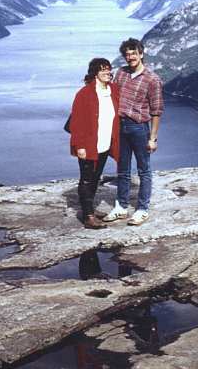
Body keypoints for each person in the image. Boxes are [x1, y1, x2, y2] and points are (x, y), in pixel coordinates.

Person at [104, 38, 164, 226]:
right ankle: (121, 207)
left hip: (139, 128)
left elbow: (156, 111)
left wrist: (153, 138)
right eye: (127, 54)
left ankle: (142, 209)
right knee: (122, 169)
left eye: (133, 53)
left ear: (141, 54)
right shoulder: (120, 74)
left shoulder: (152, 79)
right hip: (120, 126)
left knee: (144, 170)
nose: (130, 57)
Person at [70, 58, 120, 229]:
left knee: (95, 178)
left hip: (105, 144)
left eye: (109, 69)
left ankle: (88, 210)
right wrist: (80, 146)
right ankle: (88, 217)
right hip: (89, 145)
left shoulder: (113, 90)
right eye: (103, 70)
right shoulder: (84, 94)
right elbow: (76, 123)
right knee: (86, 180)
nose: (108, 72)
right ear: (95, 73)